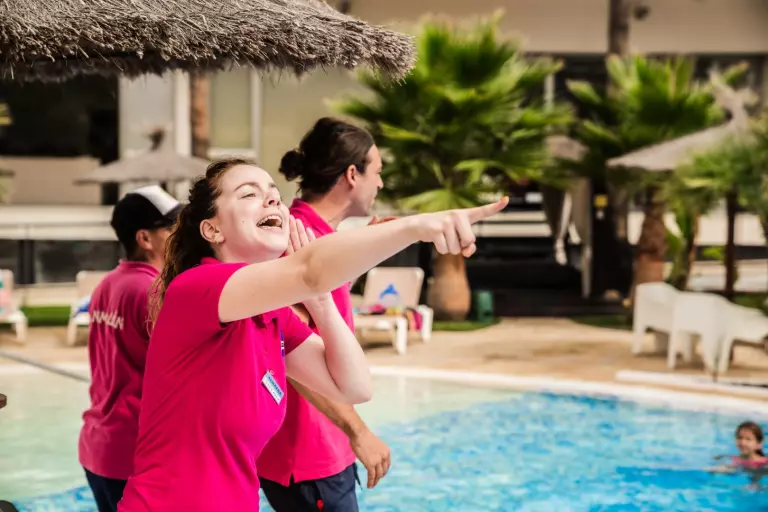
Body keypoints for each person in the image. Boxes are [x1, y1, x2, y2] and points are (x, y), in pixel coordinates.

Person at [117, 158, 507, 511]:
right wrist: (415, 226)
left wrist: (320, 302)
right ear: (212, 228)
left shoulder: (272, 315)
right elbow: (309, 270)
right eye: (249, 194)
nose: (272, 200)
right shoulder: (195, 289)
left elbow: (354, 387)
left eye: (274, 194)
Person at [258, 118, 393, 511]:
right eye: (377, 172)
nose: (380, 183)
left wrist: (360, 255)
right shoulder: (303, 244)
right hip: (308, 455)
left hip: (309, 451)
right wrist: (358, 430)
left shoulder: (308, 233)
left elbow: (319, 311)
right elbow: (288, 350)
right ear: (352, 175)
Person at [78, 185, 182, 512]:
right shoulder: (154, 292)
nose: (181, 234)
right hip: (136, 453)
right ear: (145, 238)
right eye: (172, 227)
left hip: (99, 447)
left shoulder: (107, 285)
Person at [708, 421, 768, 487]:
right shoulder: (734, 458)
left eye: (748, 439)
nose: (742, 442)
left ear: (759, 444)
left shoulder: (764, 462)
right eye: (740, 438)